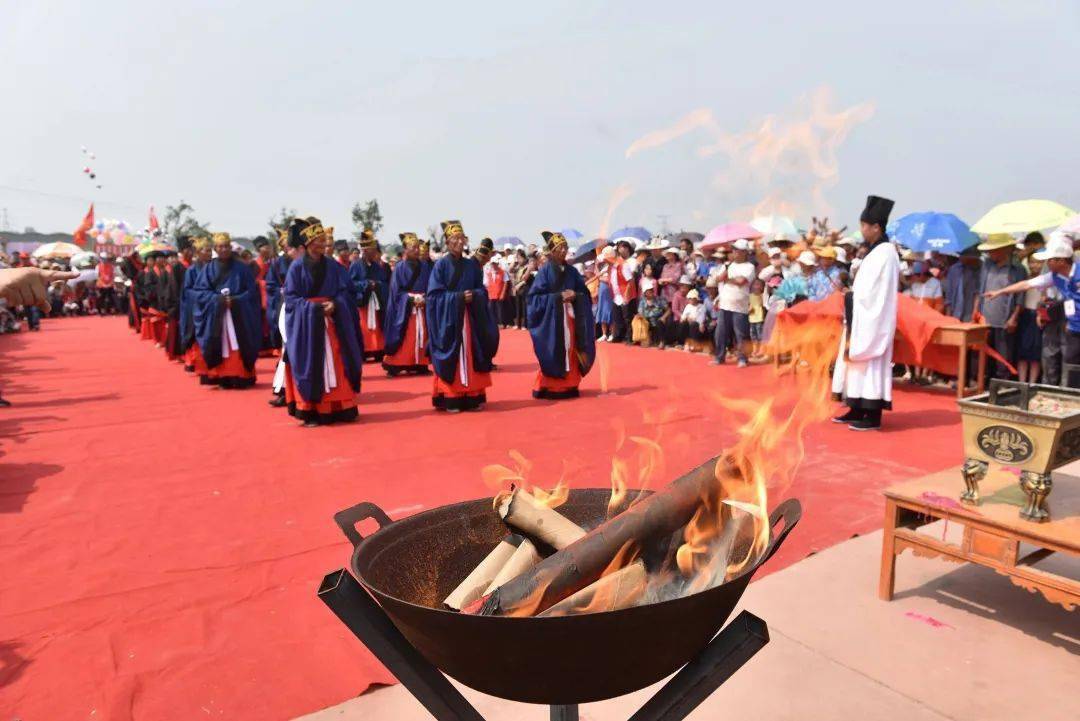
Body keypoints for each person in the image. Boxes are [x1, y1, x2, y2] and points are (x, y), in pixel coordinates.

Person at [283, 219, 363, 426]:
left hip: (332, 323)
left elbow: (346, 291)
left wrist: (336, 304)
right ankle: (313, 409)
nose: (324, 244)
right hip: (309, 325)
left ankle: (340, 406)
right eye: (319, 241)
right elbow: (291, 298)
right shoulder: (296, 268)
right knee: (312, 361)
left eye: (325, 240)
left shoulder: (334, 267)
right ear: (309, 244)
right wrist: (313, 309)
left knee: (338, 360)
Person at [832, 195, 900, 431]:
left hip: (873, 319)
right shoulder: (874, 252)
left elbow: (879, 292)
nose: (861, 230)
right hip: (859, 316)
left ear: (876, 227)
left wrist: (853, 296)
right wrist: (851, 293)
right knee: (854, 365)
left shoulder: (887, 253)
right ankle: (856, 407)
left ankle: (871, 414)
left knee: (870, 366)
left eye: (863, 225)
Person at [425, 220, 499, 412]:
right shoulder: (440, 266)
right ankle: (452, 395)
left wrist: (473, 295)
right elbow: (433, 297)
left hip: (470, 319)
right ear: (447, 242)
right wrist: (457, 298)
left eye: (461, 238)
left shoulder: (471, 265)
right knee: (454, 356)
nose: (459, 242)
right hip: (450, 320)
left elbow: (482, 291)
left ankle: (472, 395)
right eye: (454, 239)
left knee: (472, 353)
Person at [983, 237, 1079, 386]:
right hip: (1073, 328)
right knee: (1070, 364)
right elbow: (1026, 284)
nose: (1047, 264)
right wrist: (1000, 292)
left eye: (1050, 260)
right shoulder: (1054, 276)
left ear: (1061, 261)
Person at [526, 231, 595, 399]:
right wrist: (557, 298)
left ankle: (570, 384)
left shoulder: (572, 272)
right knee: (554, 348)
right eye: (560, 248)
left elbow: (584, 293)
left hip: (570, 319)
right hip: (552, 321)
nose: (564, 250)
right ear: (552, 251)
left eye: (565, 247)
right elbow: (534, 298)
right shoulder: (544, 272)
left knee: (571, 348)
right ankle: (551, 385)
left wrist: (576, 296)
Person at [191, 232, 261, 389]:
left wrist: (235, 300)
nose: (224, 249)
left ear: (230, 247)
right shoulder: (208, 269)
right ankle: (222, 375)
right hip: (217, 314)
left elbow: (251, 291)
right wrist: (218, 300)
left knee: (239, 344)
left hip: (239, 314)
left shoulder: (242, 268)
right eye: (220, 246)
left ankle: (240, 375)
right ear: (216, 248)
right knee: (221, 343)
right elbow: (200, 292)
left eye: (226, 246)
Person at [974, 233, 1027, 379]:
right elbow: (980, 291)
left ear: (1005, 249)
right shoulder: (986, 267)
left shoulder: (1018, 270)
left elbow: (1020, 297)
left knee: (1003, 359)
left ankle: (1003, 388)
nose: (990, 253)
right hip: (985, 320)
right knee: (983, 358)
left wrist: (1014, 318)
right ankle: (983, 387)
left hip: (1004, 321)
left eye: (993, 250)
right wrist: (976, 314)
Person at [382, 232, 432, 376]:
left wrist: (425, 298)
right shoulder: (399, 267)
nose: (416, 250)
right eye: (413, 247)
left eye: (417, 247)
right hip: (406, 308)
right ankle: (397, 363)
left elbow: (430, 286)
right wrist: (410, 299)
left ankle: (420, 363)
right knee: (406, 335)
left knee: (422, 335)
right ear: (405, 250)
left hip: (422, 305)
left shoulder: (425, 266)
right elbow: (396, 292)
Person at [712, 239, 755, 367]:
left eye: (736, 250)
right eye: (733, 249)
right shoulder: (730, 265)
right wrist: (725, 277)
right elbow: (718, 279)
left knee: (741, 333)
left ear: (744, 252)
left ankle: (743, 358)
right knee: (720, 333)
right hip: (725, 303)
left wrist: (728, 279)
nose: (734, 252)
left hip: (739, 306)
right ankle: (719, 357)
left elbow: (741, 281)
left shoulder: (750, 266)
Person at [349, 229, 390, 362]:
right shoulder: (355, 265)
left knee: (377, 325)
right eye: (372, 250)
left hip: (376, 300)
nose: (375, 253)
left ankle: (378, 349)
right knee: (363, 327)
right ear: (365, 250)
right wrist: (366, 284)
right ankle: (364, 350)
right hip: (363, 302)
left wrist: (377, 285)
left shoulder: (377, 267)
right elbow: (351, 283)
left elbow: (384, 282)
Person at [180, 237, 212, 379]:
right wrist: (203, 296)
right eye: (206, 250)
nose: (210, 253)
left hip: (212, 306)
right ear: (198, 252)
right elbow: (187, 290)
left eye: (210, 250)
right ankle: (197, 363)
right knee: (196, 336)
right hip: (197, 307)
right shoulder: (192, 270)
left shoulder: (214, 267)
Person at [163, 237, 194, 362]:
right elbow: (174, 289)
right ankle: (180, 353)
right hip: (180, 303)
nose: (190, 253)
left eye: (191, 250)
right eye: (187, 250)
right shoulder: (177, 268)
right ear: (182, 252)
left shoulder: (194, 266)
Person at [943, 246, 981, 321]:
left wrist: (975, 312)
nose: (960, 257)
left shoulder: (980, 270)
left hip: (971, 315)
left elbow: (978, 293)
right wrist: (948, 315)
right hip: (955, 313)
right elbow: (949, 295)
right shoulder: (954, 269)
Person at [635, 278, 669, 347]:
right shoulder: (642, 301)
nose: (651, 292)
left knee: (660, 322)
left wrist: (663, 317)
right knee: (641, 321)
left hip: (657, 320)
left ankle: (661, 342)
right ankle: (644, 339)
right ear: (645, 293)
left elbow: (668, 310)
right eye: (649, 291)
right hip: (647, 322)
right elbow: (640, 313)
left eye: (652, 290)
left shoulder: (659, 299)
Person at [593, 246, 616, 341]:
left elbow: (610, 280)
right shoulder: (604, 267)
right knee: (602, 311)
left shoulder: (614, 267)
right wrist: (596, 265)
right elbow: (596, 274)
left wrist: (600, 278)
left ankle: (612, 333)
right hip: (602, 293)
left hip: (610, 292)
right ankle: (604, 334)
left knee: (611, 312)